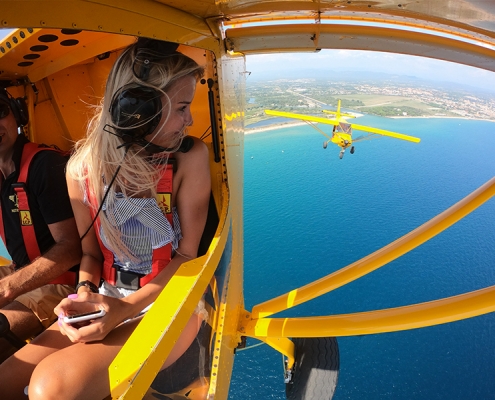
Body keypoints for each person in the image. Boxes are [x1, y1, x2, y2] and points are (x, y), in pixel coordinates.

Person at [0, 38, 211, 399]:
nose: (189, 120)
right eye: (181, 108)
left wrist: (124, 309)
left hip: (174, 301)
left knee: (50, 389)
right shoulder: (81, 172)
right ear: (136, 110)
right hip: (109, 294)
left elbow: (188, 256)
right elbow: (92, 256)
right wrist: (84, 294)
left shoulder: (187, 160)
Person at [0, 88, 82, 362]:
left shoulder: (43, 165)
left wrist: (7, 289)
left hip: (62, 282)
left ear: (17, 114)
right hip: (22, 271)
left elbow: (71, 249)